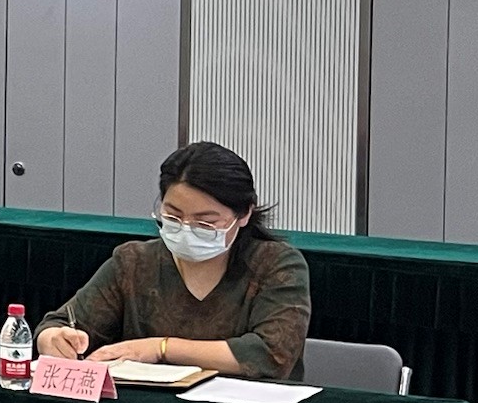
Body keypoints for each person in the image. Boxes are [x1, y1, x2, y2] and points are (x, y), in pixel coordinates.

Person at [38, 141, 312, 378]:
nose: (186, 228)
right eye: (173, 216)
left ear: (244, 214)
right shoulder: (133, 263)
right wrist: (54, 339)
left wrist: (160, 349)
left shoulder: (276, 265)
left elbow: (271, 354)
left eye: (205, 222)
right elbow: (60, 324)